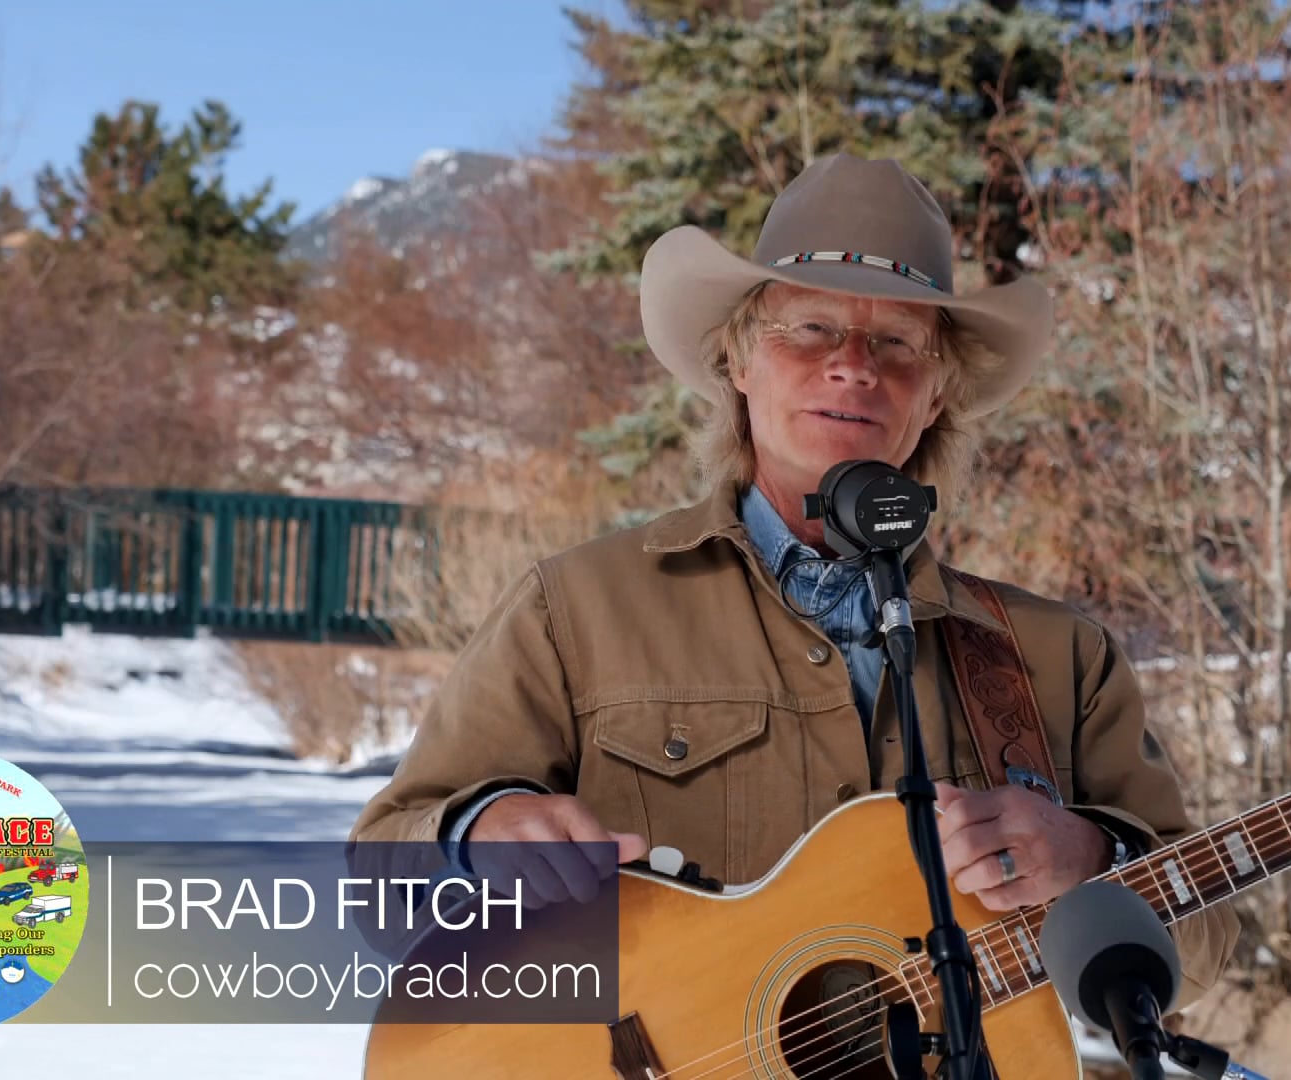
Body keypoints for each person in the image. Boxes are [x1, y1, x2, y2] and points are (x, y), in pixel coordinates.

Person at [350, 153, 1238, 1006]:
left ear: (936, 396)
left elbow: (1202, 959)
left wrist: (1092, 859)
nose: (853, 364)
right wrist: (480, 838)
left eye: (897, 341)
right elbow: (377, 885)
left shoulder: (1056, 658)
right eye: (810, 327)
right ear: (738, 361)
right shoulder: (573, 610)